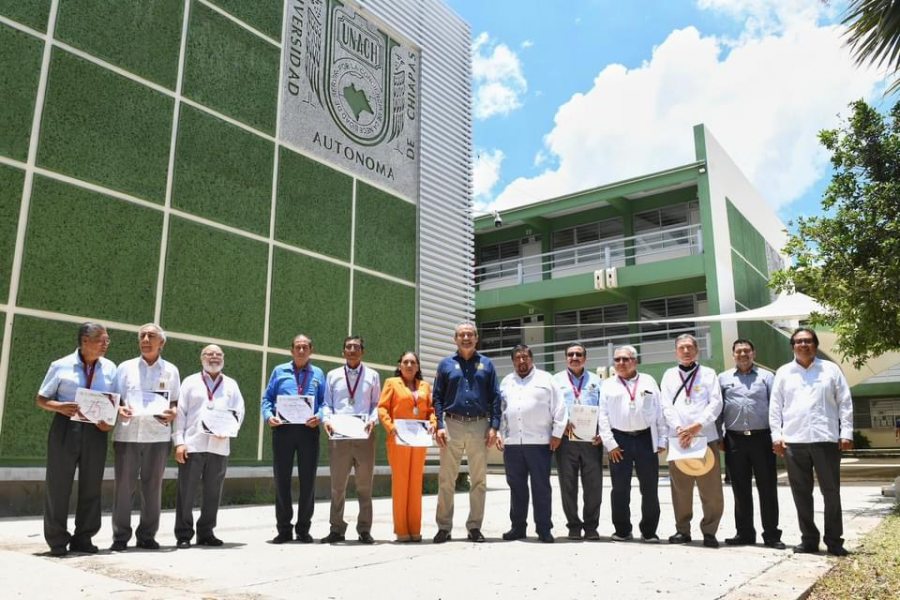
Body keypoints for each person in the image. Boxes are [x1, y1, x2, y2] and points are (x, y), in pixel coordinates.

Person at [770, 327, 853, 556]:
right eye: (798, 341)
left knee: (831, 492)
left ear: (815, 345)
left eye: (807, 341)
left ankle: (834, 540)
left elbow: (844, 402)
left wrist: (846, 433)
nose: (803, 345)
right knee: (801, 493)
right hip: (794, 442)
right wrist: (776, 436)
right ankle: (809, 539)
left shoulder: (830, 370)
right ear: (793, 346)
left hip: (825, 440)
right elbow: (775, 407)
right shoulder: (784, 372)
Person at [36, 322, 116, 556]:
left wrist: (109, 422)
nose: (106, 344)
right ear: (85, 341)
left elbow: (115, 402)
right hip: (65, 428)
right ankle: (57, 540)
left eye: (107, 340)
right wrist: (59, 407)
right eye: (102, 340)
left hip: (96, 431)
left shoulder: (110, 368)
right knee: (58, 485)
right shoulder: (60, 365)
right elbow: (41, 399)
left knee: (92, 485)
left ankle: (84, 538)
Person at [111, 324, 181, 552]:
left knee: (153, 487)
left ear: (162, 343)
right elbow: (115, 399)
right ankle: (120, 536)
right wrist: (119, 409)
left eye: (151, 336)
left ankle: (147, 536)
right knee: (123, 487)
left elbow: (174, 403)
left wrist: (172, 413)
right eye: (142, 335)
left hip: (157, 435)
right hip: (127, 434)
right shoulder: (125, 368)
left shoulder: (171, 370)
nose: (146, 339)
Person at [432, 322, 501, 543]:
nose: (466, 338)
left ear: (476, 338)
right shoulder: (445, 365)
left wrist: (494, 426)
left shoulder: (487, 365)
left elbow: (495, 398)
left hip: (480, 425)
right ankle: (444, 527)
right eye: (462, 335)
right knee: (447, 479)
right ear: (455, 339)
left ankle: (474, 527)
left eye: (470, 334)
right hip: (452, 425)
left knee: (479, 480)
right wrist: (440, 426)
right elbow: (437, 398)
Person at [173, 344, 245, 548]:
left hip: (219, 445)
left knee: (213, 492)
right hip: (192, 444)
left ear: (223, 358)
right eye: (209, 354)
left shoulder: (231, 384)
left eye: (218, 354)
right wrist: (179, 442)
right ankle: (184, 534)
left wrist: (231, 430)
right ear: (201, 358)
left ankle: (206, 532)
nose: (214, 357)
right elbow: (180, 413)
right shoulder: (190, 382)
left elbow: (239, 411)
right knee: (186, 491)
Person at [719, 338, 784, 549]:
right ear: (733, 355)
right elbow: (718, 410)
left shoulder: (767, 377)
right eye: (739, 351)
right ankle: (744, 533)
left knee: (767, 488)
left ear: (754, 353)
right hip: (734, 439)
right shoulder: (723, 378)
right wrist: (720, 436)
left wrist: (777, 436)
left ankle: (772, 535)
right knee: (740, 489)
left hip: (762, 438)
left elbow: (777, 408)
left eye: (747, 350)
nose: (743, 354)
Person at [597, 345, 667, 543]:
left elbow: (659, 410)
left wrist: (661, 439)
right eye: (617, 359)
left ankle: (649, 531)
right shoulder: (608, 385)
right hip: (620, 441)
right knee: (620, 488)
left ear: (635, 361)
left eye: (625, 359)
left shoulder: (648, 381)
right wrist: (610, 444)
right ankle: (622, 530)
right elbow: (603, 416)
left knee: (650, 487)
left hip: (646, 438)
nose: (621, 363)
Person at [660, 333, 724, 548]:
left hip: (705, 437)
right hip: (679, 439)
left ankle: (709, 531)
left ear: (697, 350)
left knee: (711, 489)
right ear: (676, 351)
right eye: (682, 348)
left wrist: (697, 425)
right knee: (681, 488)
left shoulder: (708, 373)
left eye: (690, 347)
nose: (686, 351)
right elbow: (666, 405)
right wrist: (680, 428)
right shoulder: (669, 375)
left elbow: (715, 403)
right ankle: (682, 530)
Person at [498, 345, 566, 543]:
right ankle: (518, 527)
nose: (522, 361)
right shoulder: (506, 382)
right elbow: (501, 411)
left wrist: (557, 433)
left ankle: (544, 528)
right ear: (512, 361)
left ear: (531, 358)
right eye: (517, 358)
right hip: (512, 444)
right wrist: (501, 434)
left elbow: (560, 408)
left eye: (525, 357)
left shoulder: (546, 379)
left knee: (541, 487)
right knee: (516, 487)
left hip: (539, 442)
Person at [261, 334, 325, 544]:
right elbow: (267, 399)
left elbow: (325, 402)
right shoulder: (279, 371)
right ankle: (284, 529)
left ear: (311, 350)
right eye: (297, 347)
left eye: (305, 347)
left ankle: (304, 529)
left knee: (308, 481)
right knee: (282, 480)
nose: (301, 350)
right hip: (283, 431)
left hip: (309, 431)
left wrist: (321, 416)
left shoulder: (318, 373)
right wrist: (269, 416)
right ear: (291, 350)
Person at [321, 336, 381, 544]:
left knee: (365, 485)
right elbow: (327, 403)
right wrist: (326, 420)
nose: (352, 350)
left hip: (364, 437)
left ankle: (364, 529)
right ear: (343, 351)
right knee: (338, 485)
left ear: (362, 351)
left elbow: (376, 404)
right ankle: (336, 528)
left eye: (356, 347)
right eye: (348, 347)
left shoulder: (372, 375)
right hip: (339, 437)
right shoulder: (333, 375)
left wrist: (373, 420)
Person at [378, 351, 436, 542]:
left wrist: (433, 423)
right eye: (405, 362)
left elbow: (431, 410)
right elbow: (382, 407)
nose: (409, 365)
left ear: (418, 366)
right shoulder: (391, 383)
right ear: (400, 365)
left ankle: (415, 528)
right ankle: (402, 530)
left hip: (419, 440)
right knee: (401, 483)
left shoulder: (425, 386)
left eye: (413, 362)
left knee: (415, 483)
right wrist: (390, 426)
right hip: (399, 439)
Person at [552, 342, 604, 540]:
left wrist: (602, 432)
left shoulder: (597, 381)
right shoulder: (555, 381)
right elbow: (551, 408)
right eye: (571, 354)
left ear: (585, 358)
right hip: (566, 440)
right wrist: (559, 426)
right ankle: (573, 525)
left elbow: (604, 409)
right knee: (568, 484)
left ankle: (591, 526)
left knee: (593, 485)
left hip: (592, 440)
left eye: (579, 354)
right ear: (566, 358)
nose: (575, 357)